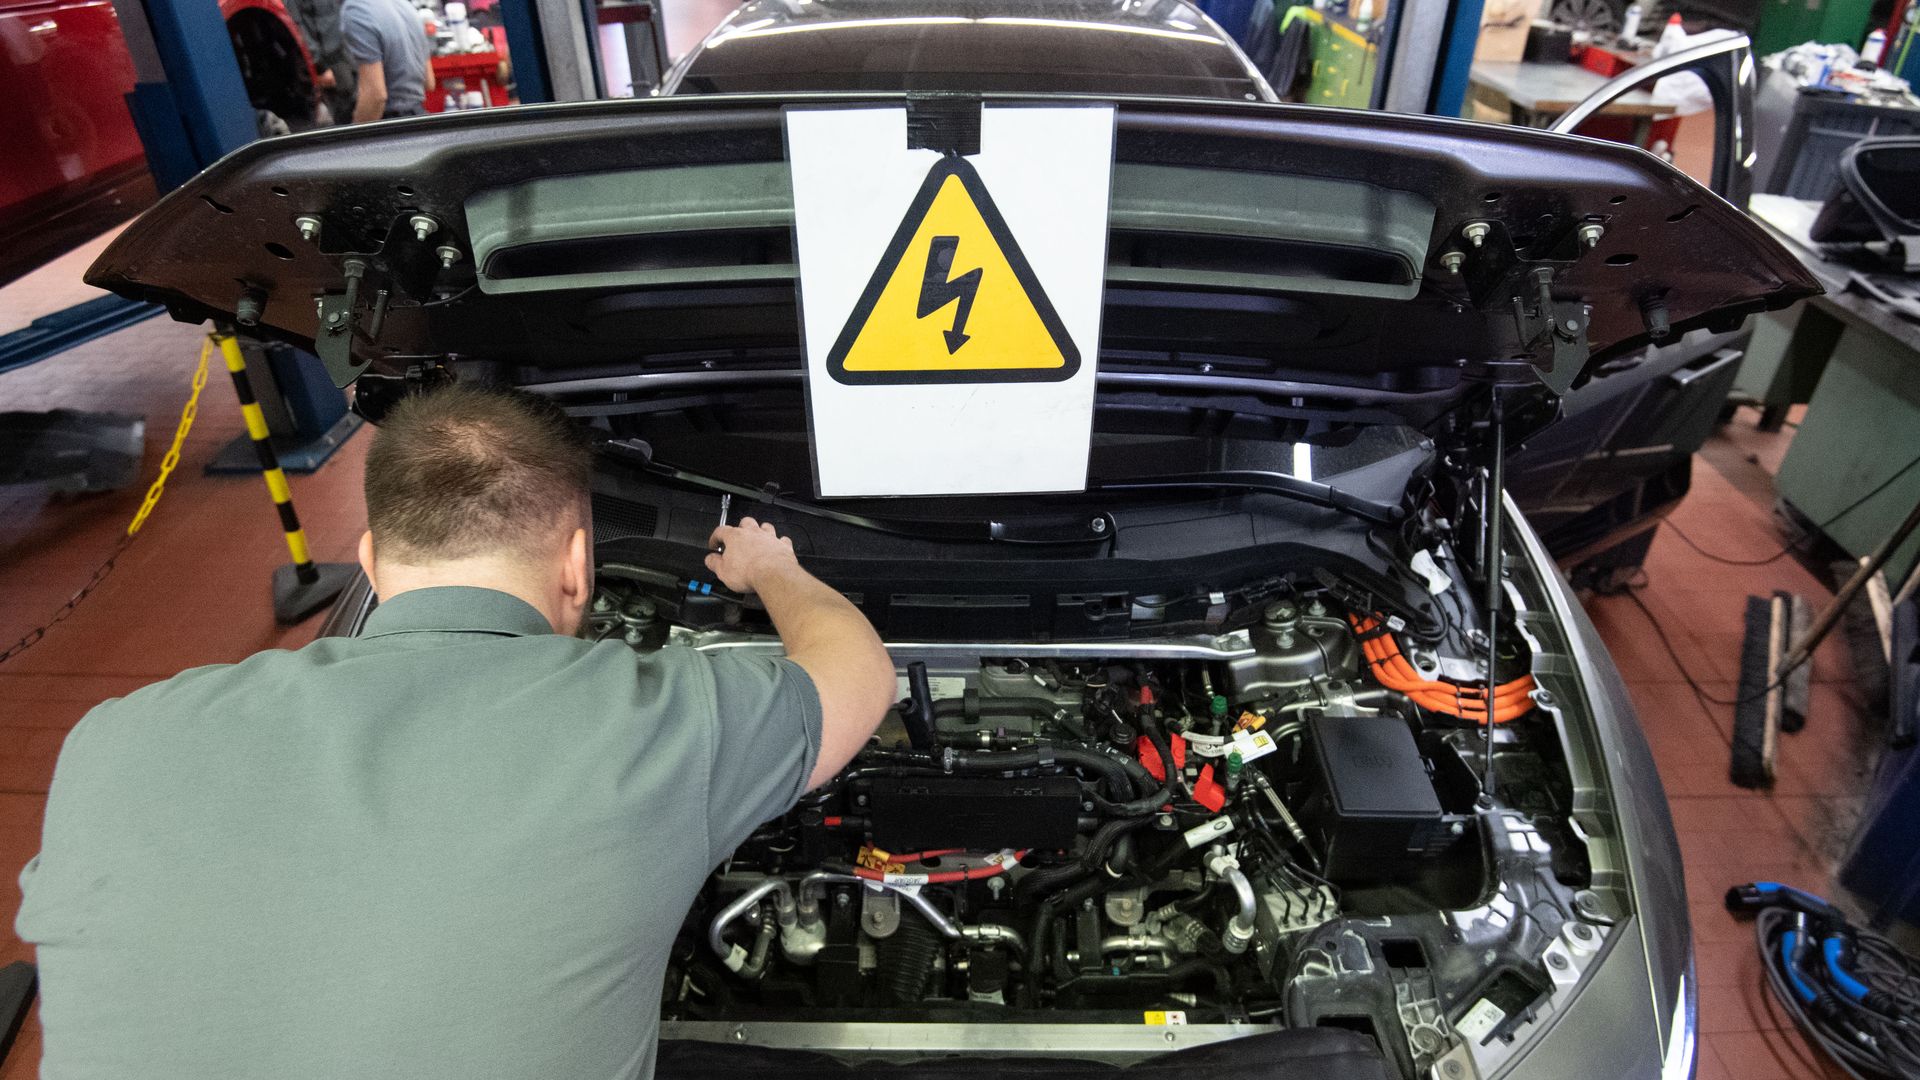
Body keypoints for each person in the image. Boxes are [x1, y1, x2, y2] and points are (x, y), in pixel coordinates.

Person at [16, 384, 897, 1079]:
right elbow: (861, 676)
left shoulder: (113, 739)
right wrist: (772, 568)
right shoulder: (664, 724)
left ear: (367, 557)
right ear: (579, 565)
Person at [340, 0, 433, 120]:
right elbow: (429, 82)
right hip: (419, 117)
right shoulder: (406, 6)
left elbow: (375, 96)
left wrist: (354, 136)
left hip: (389, 124)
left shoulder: (356, 10)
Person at [287, 0, 358, 124]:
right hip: (330, 64)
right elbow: (298, 29)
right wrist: (319, 67)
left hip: (350, 55)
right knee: (344, 114)